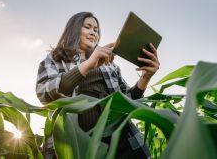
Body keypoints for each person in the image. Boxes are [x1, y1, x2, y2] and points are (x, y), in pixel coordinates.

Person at [36, 12, 160, 159]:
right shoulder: (55, 59)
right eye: (88, 27)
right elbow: (45, 94)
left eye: (96, 30)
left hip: (120, 139)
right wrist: (88, 65)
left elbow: (128, 100)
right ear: (74, 30)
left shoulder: (110, 65)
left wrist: (145, 77)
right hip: (76, 144)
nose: (93, 32)